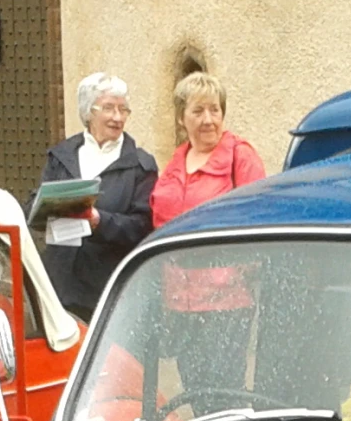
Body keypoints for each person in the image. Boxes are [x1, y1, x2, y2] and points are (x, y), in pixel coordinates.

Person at [37, 71, 159, 319]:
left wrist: (99, 221)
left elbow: (143, 226)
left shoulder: (139, 165)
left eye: (123, 110)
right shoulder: (62, 156)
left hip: (106, 286)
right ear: (88, 111)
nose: (117, 117)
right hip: (59, 284)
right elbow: (34, 205)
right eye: (109, 108)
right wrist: (45, 209)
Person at [150, 71, 266, 227]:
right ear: (181, 118)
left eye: (214, 110)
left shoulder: (240, 155)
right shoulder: (177, 160)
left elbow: (257, 215)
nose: (208, 120)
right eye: (198, 111)